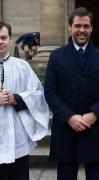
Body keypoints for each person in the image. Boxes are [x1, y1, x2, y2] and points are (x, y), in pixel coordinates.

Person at [44, 7, 99, 180]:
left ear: (92, 28)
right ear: (70, 27)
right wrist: (69, 117)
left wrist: (94, 114)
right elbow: (50, 91)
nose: (82, 30)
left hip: (95, 128)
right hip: (66, 130)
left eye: (86, 26)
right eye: (77, 26)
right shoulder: (56, 57)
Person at [0, 22, 49, 180]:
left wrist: (17, 98)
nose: (0, 41)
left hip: (17, 138)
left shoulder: (23, 66)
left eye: (3, 37)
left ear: (10, 39)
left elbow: (37, 94)